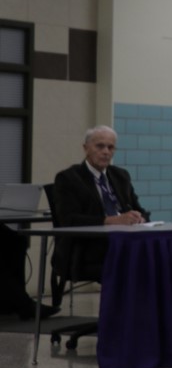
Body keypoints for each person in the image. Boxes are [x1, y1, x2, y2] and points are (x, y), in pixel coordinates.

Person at [51, 126, 150, 306]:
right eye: (100, 146)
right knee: (134, 264)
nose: (106, 152)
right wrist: (111, 220)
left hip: (123, 242)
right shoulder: (69, 178)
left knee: (158, 258)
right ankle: (118, 318)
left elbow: (138, 208)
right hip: (88, 248)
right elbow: (69, 219)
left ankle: (142, 318)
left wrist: (139, 217)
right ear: (86, 148)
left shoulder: (120, 176)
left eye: (111, 147)